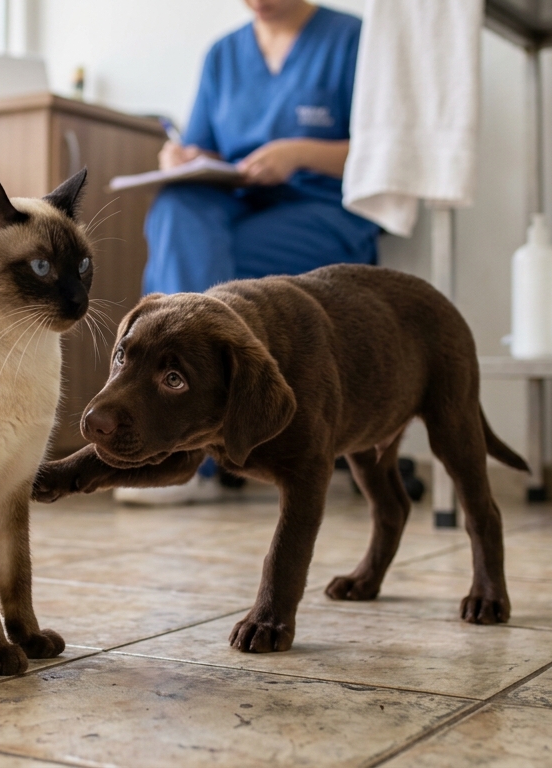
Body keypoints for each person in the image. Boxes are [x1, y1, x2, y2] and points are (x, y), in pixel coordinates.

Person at [116, 0, 380, 506]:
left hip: (320, 208)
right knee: (177, 209)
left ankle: (183, 454)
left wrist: (298, 152)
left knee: (200, 254)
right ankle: (186, 438)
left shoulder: (351, 39)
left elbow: (384, 147)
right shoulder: (223, 54)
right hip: (236, 204)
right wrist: (186, 158)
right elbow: (203, 148)